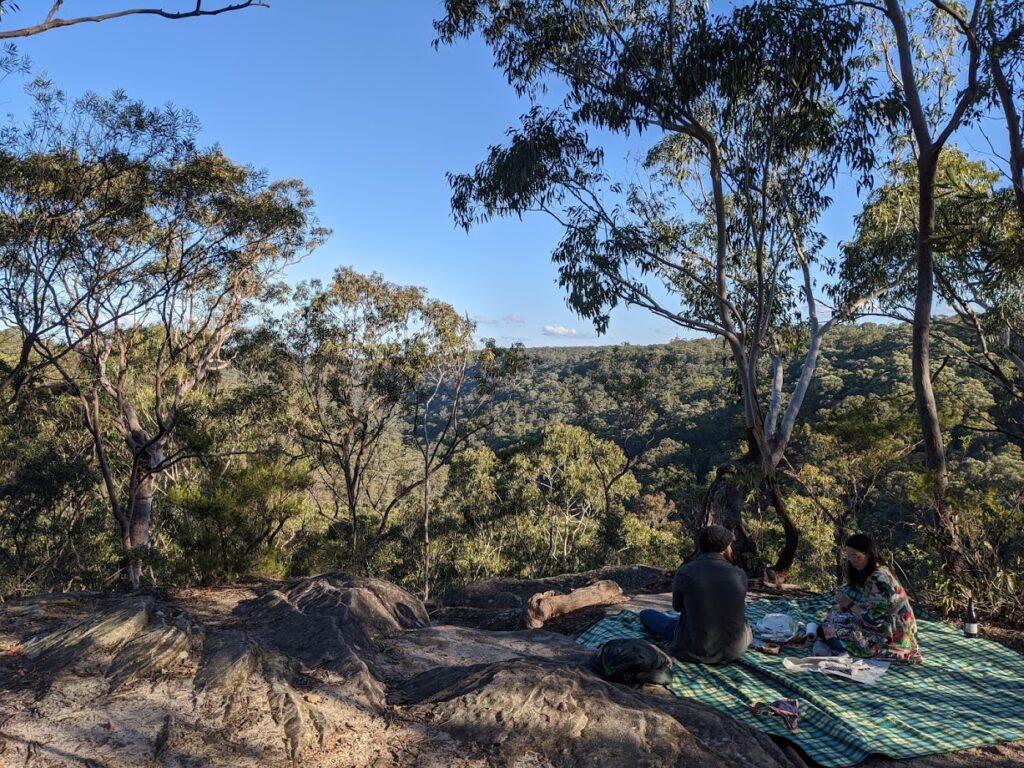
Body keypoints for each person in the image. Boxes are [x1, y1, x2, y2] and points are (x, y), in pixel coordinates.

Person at [639, 524, 752, 664]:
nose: (731, 549)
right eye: (729, 545)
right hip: (735, 649)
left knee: (646, 614)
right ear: (723, 549)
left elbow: (677, 607)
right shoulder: (739, 574)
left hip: (695, 649)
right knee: (743, 624)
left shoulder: (685, 572)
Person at [815, 533, 922, 663]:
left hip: (893, 636)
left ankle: (842, 649)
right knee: (837, 617)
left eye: (856, 556)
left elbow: (873, 620)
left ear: (868, 554)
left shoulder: (878, 579)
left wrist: (849, 604)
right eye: (850, 556)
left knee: (829, 629)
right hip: (896, 628)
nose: (853, 560)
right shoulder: (880, 570)